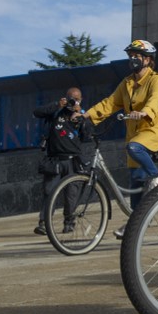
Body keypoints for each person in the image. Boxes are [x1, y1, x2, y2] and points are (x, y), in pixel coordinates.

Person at [81, 40, 158, 238]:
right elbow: (110, 103)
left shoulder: (155, 80)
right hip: (137, 134)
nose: (132, 59)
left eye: (137, 56)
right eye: (130, 56)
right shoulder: (126, 83)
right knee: (136, 186)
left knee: (134, 149)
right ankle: (134, 225)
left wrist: (144, 113)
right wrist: (87, 115)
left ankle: (157, 178)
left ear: (148, 60)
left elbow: (155, 100)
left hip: (156, 128)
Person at [32, 87, 91, 235]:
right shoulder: (57, 111)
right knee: (49, 192)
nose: (74, 101)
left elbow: (86, 136)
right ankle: (44, 223)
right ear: (65, 98)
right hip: (55, 160)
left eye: (77, 99)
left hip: (73, 160)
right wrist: (57, 105)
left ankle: (69, 223)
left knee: (72, 194)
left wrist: (81, 116)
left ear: (81, 100)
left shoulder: (81, 114)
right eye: (71, 98)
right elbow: (37, 112)